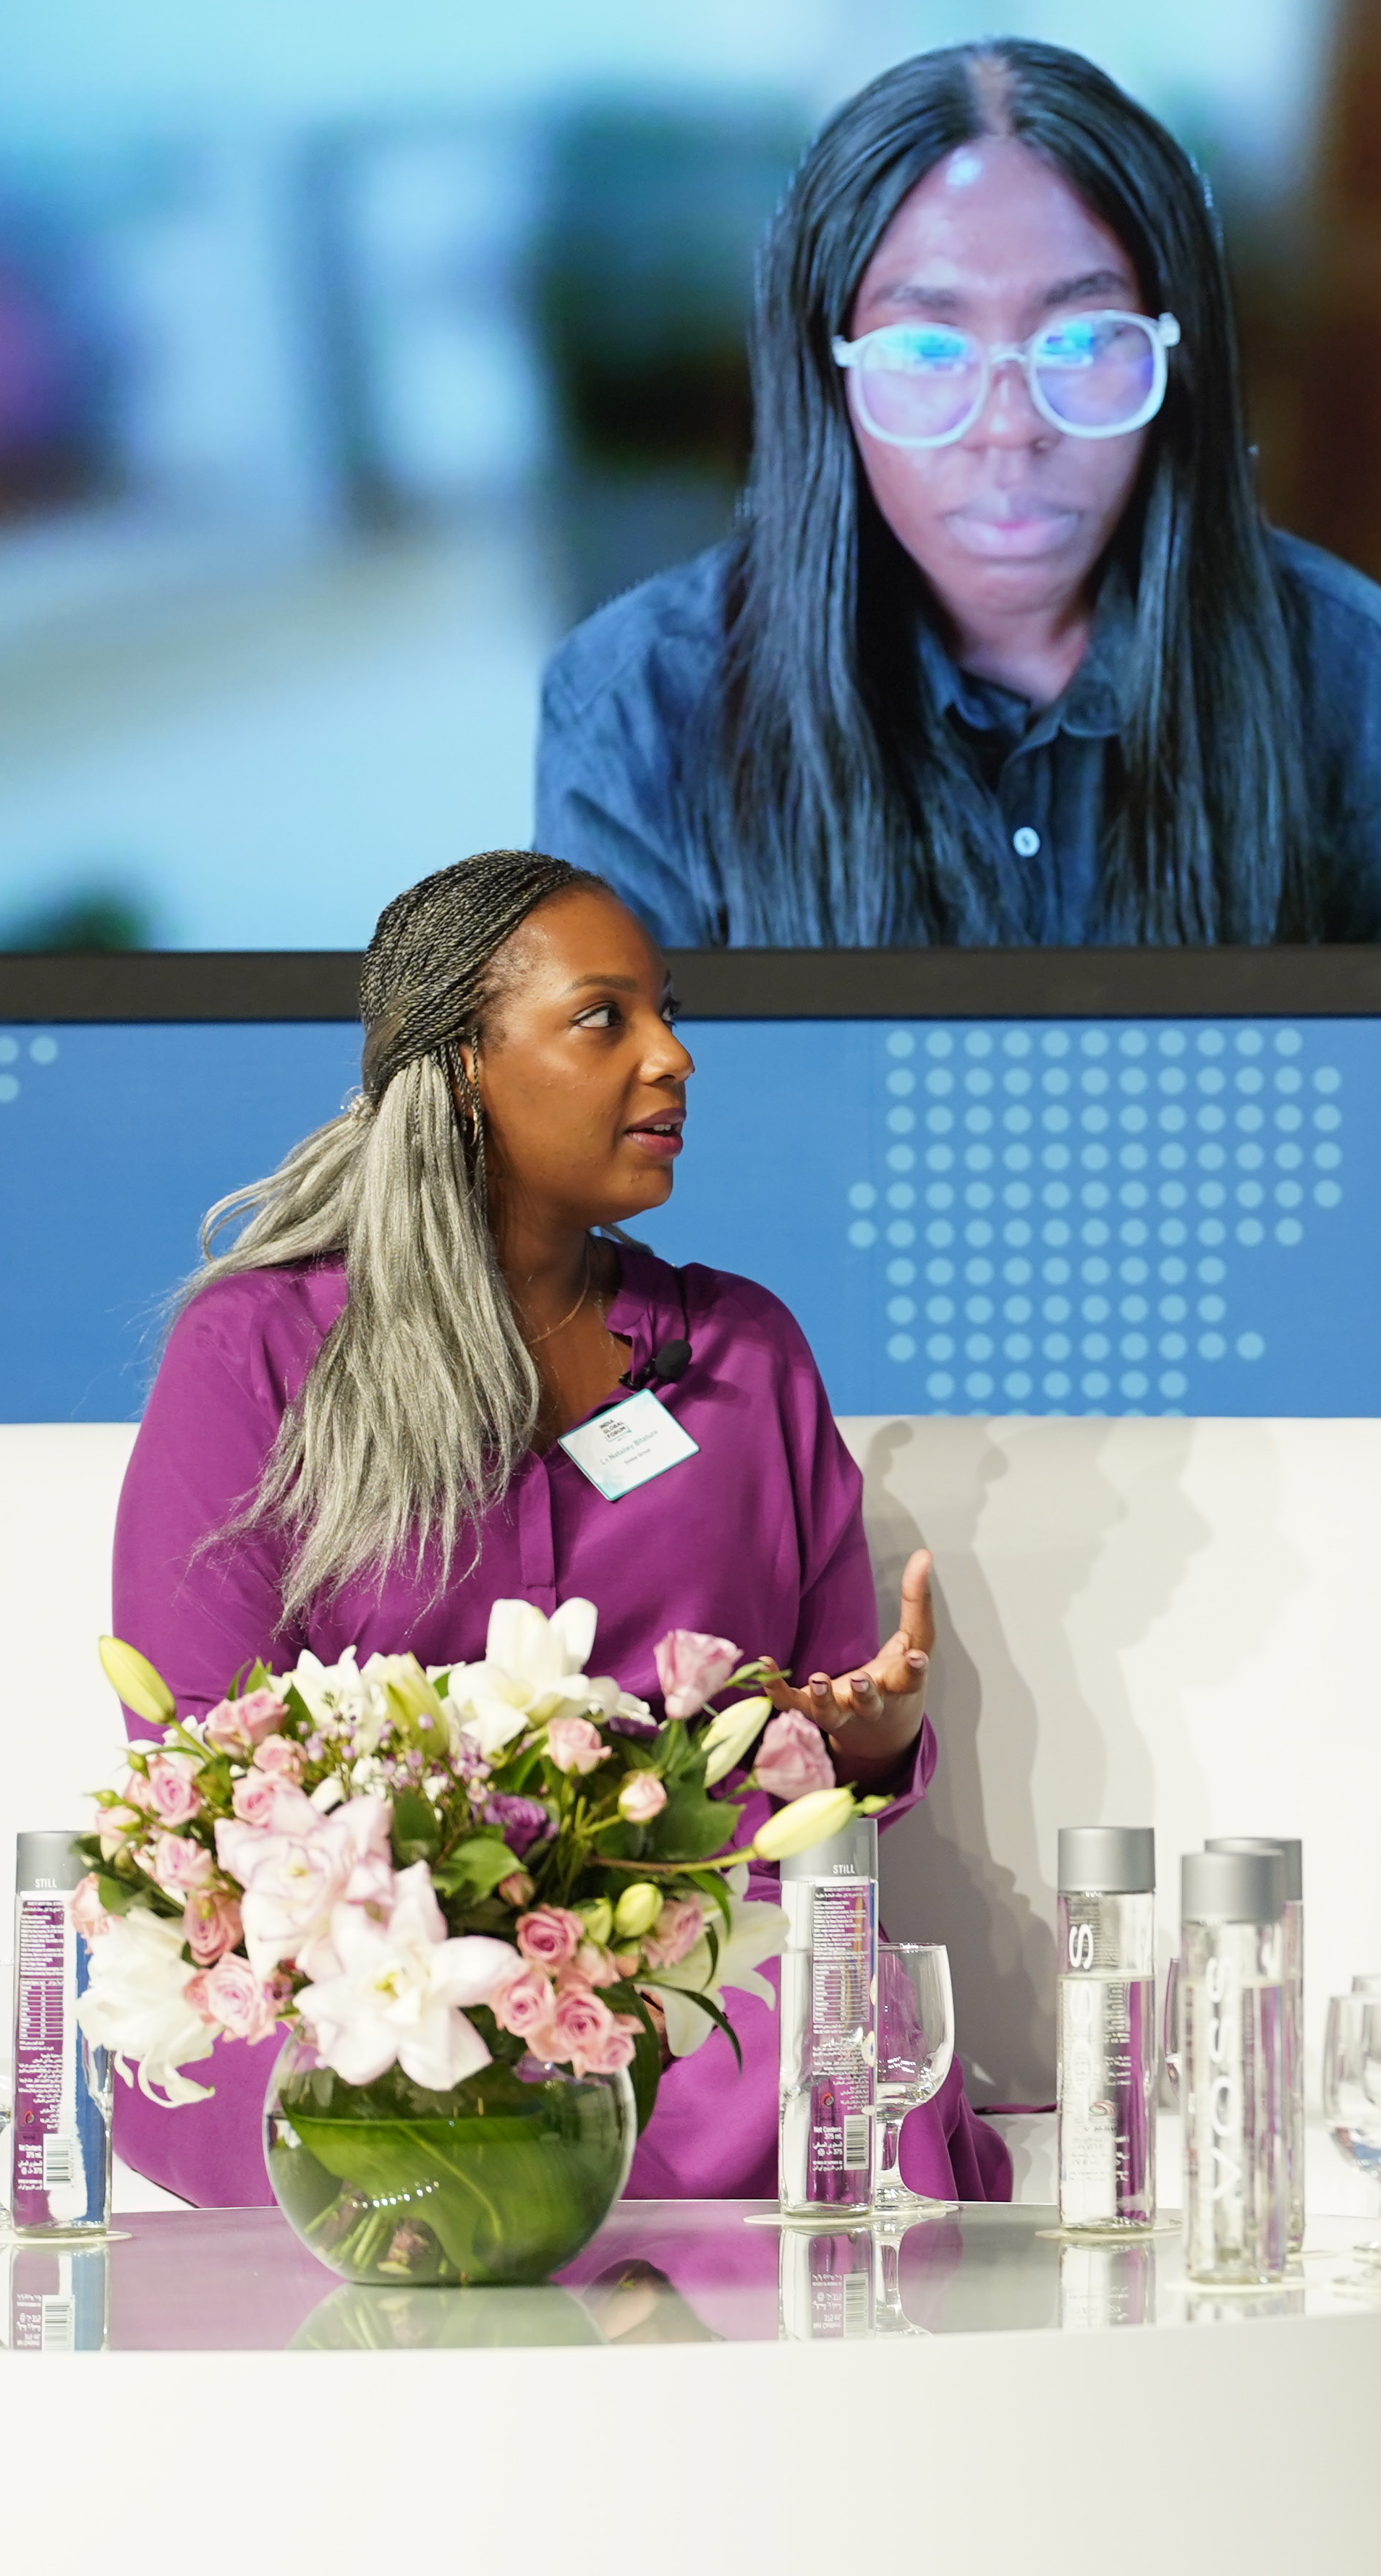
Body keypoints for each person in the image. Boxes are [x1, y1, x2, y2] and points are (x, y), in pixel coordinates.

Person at [109, 849, 1011, 2207]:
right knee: (350, 2074)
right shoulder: (258, 1348)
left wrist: (870, 1736)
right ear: (462, 1065)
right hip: (355, 1965)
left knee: (817, 2037)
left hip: (678, 1976)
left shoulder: (744, 1353)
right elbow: (197, 1737)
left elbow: (814, 1751)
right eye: (604, 1017)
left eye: (667, 1011)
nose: (673, 1057)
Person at [536, 37, 1381, 948]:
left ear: (1178, 361)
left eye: (1084, 340)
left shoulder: (1360, 676)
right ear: (828, 377)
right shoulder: (637, 702)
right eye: (927, 349)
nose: (1011, 425)